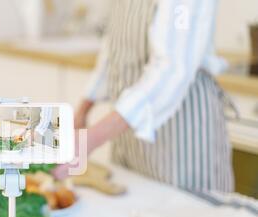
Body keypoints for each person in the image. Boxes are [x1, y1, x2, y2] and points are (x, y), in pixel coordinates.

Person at [53, 0, 235, 192]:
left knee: (183, 213)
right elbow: (113, 49)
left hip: (180, 137)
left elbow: (171, 69)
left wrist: (90, 139)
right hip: (127, 133)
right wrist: (83, 110)